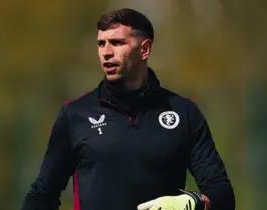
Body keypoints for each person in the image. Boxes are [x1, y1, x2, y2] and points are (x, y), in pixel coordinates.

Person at [21, 8, 235, 210]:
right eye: (101, 43)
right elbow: (42, 195)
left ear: (145, 49)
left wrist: (193, 202)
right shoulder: (75, 114)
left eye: (117, 42)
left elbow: (222, 195)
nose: (106, 52)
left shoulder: (183, 113)